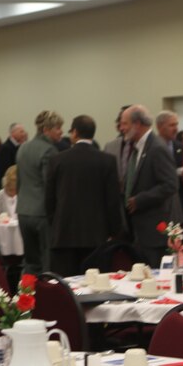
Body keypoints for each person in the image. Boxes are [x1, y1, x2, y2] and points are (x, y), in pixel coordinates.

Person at [45, 115, 122, 276]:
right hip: (96, 234)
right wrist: (114, 232)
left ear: (74, 133)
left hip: (64, 233)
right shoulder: (107, 160)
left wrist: (55, 223)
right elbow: (113, 201)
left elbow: (49, 200)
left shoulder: (57, 160)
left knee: (67, 286)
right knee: (96, 285)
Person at [121, 105, 179, 267]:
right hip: (140, 231)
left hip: (155, 233)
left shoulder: (156, 148)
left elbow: (170, 184)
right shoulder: (138, 148)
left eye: (124, 123)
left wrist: (140, 200)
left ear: (137, 124)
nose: (121, 128)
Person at [15, 110, 63, 274]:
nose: (61, 131)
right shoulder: (49, 151)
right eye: (58, 128)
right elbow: (50, 186)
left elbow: (19, 182)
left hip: (23, 211)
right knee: (47, 261)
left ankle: (26, 296)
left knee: (30, 262)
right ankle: (47, 297)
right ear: (46, 130)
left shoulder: (22, 148)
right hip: (42, 213)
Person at [103, 105, 133, 187]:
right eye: (121, 123)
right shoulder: (110, 147)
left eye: (125, 123)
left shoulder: (147, 147)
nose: (122, 127)